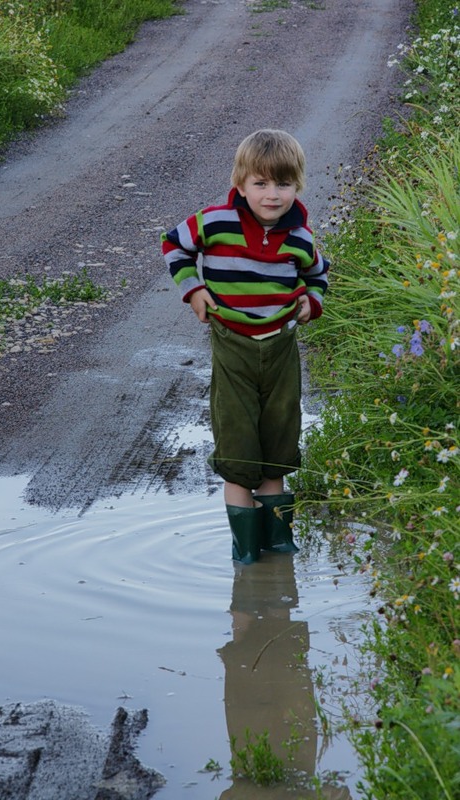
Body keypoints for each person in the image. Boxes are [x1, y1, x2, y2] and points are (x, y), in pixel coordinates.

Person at [161, 129, 329, 564]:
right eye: (261, 184)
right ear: (240, 184)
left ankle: (278, 540)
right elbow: (173, 246)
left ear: (297, 185)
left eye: (283, 184)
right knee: (238, 444)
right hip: (233, 344)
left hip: (280, 347)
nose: (272, 195)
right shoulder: (214, 222)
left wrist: (311, 303)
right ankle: (246, 550)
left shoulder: (300, 238)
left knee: (278, 437)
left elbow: (318, 276)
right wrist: (194, 290)